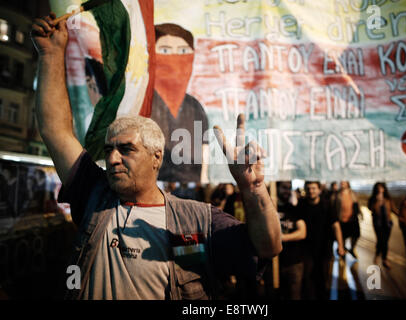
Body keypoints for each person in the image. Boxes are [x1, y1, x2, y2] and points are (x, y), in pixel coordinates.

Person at [31, 14, 282, 300]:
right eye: (109, 149)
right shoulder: (93, 193)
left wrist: (254, 190)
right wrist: (50, 54)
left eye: (126, 149)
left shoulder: (197, 220)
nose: (112, 158)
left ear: (156, 157)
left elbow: (268, 247)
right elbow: (55, 130)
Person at [151, 23, 209, 184]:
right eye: (165, 50)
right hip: (152, 185)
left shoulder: (195, 106)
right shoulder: (144, 101)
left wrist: (203, 182)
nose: (175, 58)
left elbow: (204, 148)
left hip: (189, 185)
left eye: (183, 51)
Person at [299, 181, 345, 300]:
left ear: (319, 190)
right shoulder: (302, 205)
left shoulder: (327, 205)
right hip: (306, 250)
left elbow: (336, 226)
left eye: (314, 188)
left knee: (322, 279)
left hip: (324, 250)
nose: (311, 191)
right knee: (308, 280)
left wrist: (340, 246)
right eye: (308, 188)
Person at [276, 181, 308, 300]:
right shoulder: (271, 210)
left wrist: (282, 238)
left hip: (294, 262)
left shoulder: (295, 209)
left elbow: (302, 232)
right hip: (275, 262)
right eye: (284, 187)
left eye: (289, 188)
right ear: (277, 188)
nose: (287, 191)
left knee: (294, 296)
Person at [367, 182, 396, 269]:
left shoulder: (388, 199)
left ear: (384, 189)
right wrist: (378, 201)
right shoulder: (373, 199)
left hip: (388, 223)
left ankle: (378, 256)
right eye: (378, 188)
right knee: (381, 240)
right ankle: (384, 259)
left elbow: (393, 209)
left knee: (384, 241)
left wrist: (402, 216)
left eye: (381, 188)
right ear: (376, 189)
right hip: (377, 223)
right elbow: (371, 209)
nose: (380, 189)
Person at [332, 181, 361, 258]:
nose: (342, 183)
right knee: (342, 237)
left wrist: (360, 213)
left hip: (352, 219)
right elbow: (333, 204)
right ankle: (343, 252)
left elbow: (357, 204)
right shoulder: (336, 194)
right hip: (341, 219)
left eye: (344, 182)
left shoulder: (353, 193)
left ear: (347, 183)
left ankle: (352, 249)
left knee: (356, 235)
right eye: (341, 182)